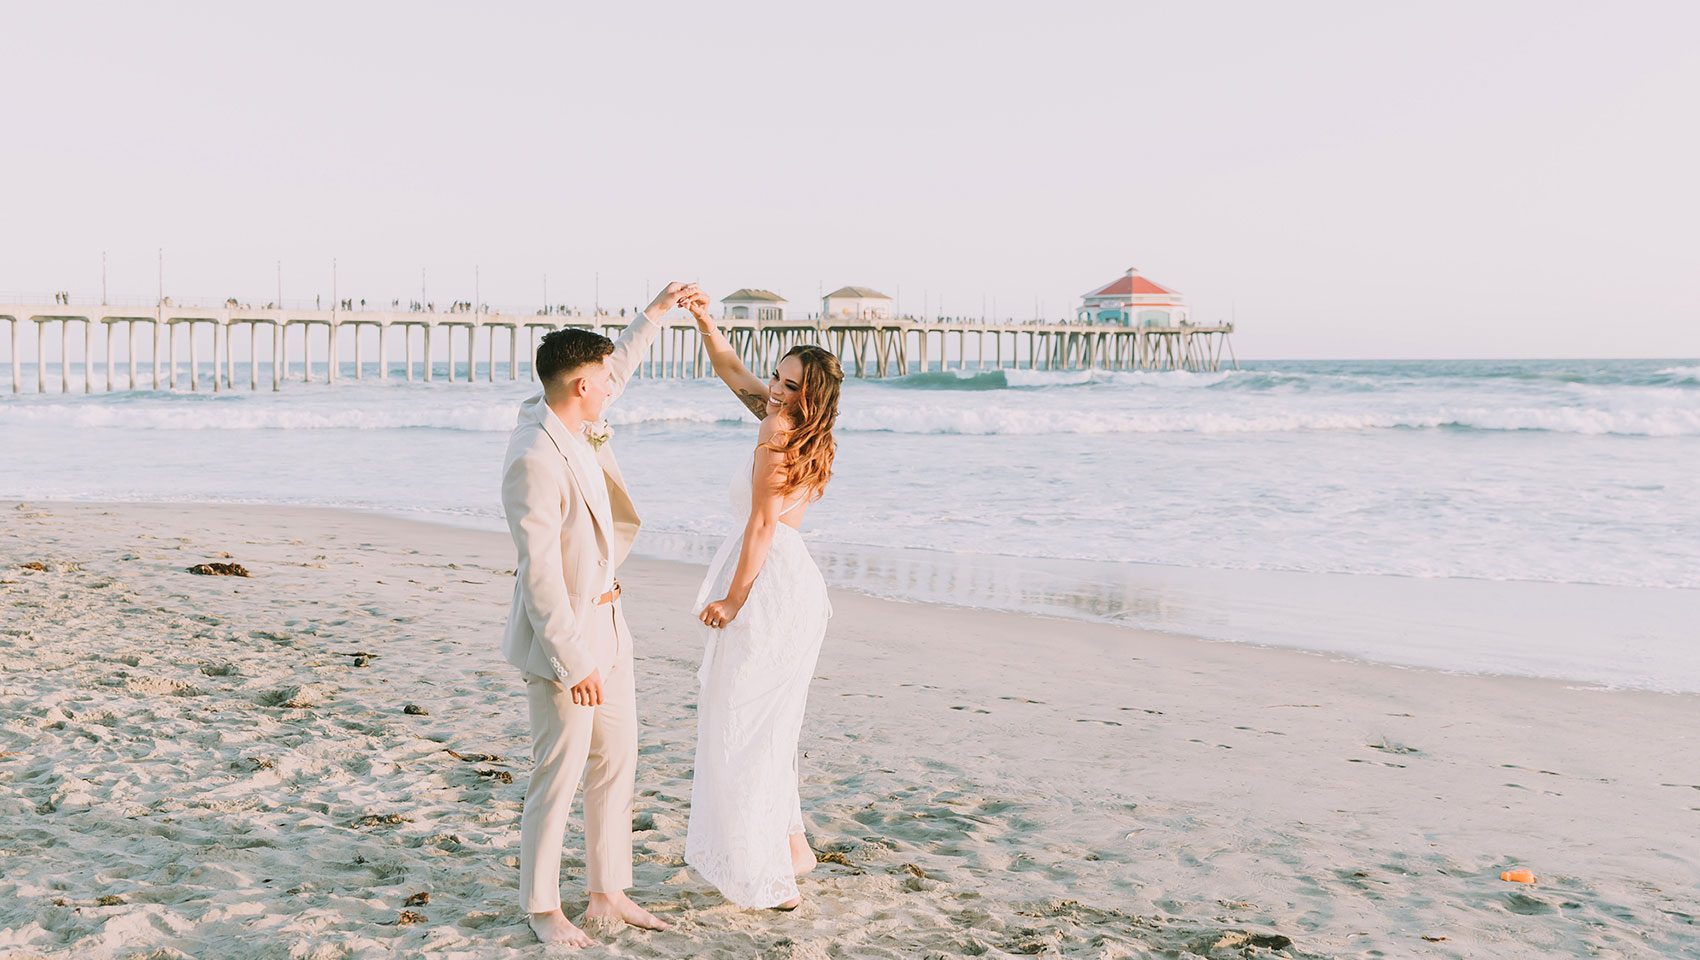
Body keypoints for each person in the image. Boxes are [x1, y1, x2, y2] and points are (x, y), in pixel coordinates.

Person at [499, 280, 700, 947]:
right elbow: (540, 576)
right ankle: (541, 907)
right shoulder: (534, 459)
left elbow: (618, 364)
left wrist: (655, 314)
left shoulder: (570, 414)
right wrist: (574, 659)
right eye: (603, 382)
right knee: (558, 773)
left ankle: (607, 892)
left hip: (614, 622)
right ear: (580, 387)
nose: (614, 388)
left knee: (616, 760)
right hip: (571, 638)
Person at [681, 292, 844, 910]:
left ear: (812, 395)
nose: (774, 389)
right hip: (794, 585)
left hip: (770, 587)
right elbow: (730, 369)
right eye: (775, 376)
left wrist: (732, 599)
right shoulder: (800, 426)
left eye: (789, 384)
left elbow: (761, 527)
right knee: (769, 723)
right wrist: (703, 319)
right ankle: (792, 845)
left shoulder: (779, 428)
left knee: (743, 723)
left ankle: (769, 877)